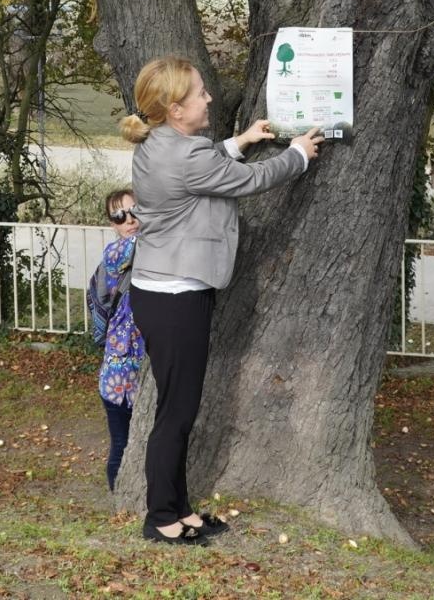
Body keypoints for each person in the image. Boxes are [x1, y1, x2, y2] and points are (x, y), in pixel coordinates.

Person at [119, 56, 324, 545]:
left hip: (161, 291)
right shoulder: (186, 155)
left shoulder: (156, 142)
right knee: (176, 413)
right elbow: (248, 181)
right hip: (176, 298)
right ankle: (160, 517)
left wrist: (241, 141)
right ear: (174, 109)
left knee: (179, 409)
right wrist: (296, 153)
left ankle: (181, 507)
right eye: (200, 94)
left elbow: (203, 166)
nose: (209, 98)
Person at [96, 187, 144, 491]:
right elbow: (143, 241)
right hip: (118, 376)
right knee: (121, 444)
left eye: (134, 210)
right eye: (119, 215)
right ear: (112, 223)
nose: (129, 219)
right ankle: (119, 499)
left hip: (139, 370)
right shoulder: (116, 253)